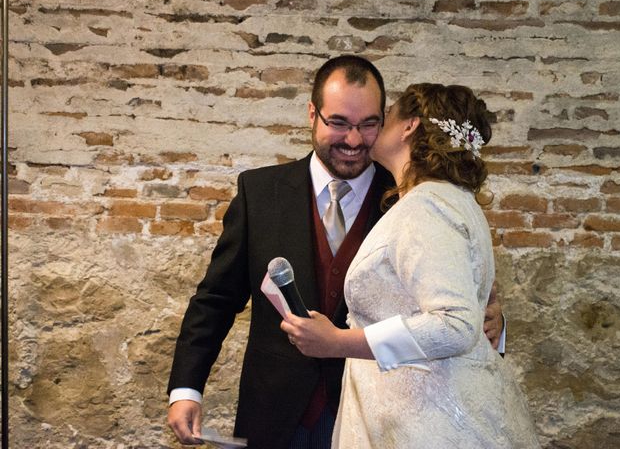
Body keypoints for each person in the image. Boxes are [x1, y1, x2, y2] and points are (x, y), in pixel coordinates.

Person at [167, 56, 505, 449]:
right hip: (276, 417)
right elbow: (216, 300)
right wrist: (186, 390)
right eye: (339, 123)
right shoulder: (259, 192)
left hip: (380, 419)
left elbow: (456, 313)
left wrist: (493, 325)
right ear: (313, 114)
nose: (354, 140)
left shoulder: (414, 199)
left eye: (369, 124)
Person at [281, 83, 539, 448]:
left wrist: (337, 341)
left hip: (427, 422)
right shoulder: (452, 200)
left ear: (409, 126)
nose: (373, 130)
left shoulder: (427, 206)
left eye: (386, 117)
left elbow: (455, 324)